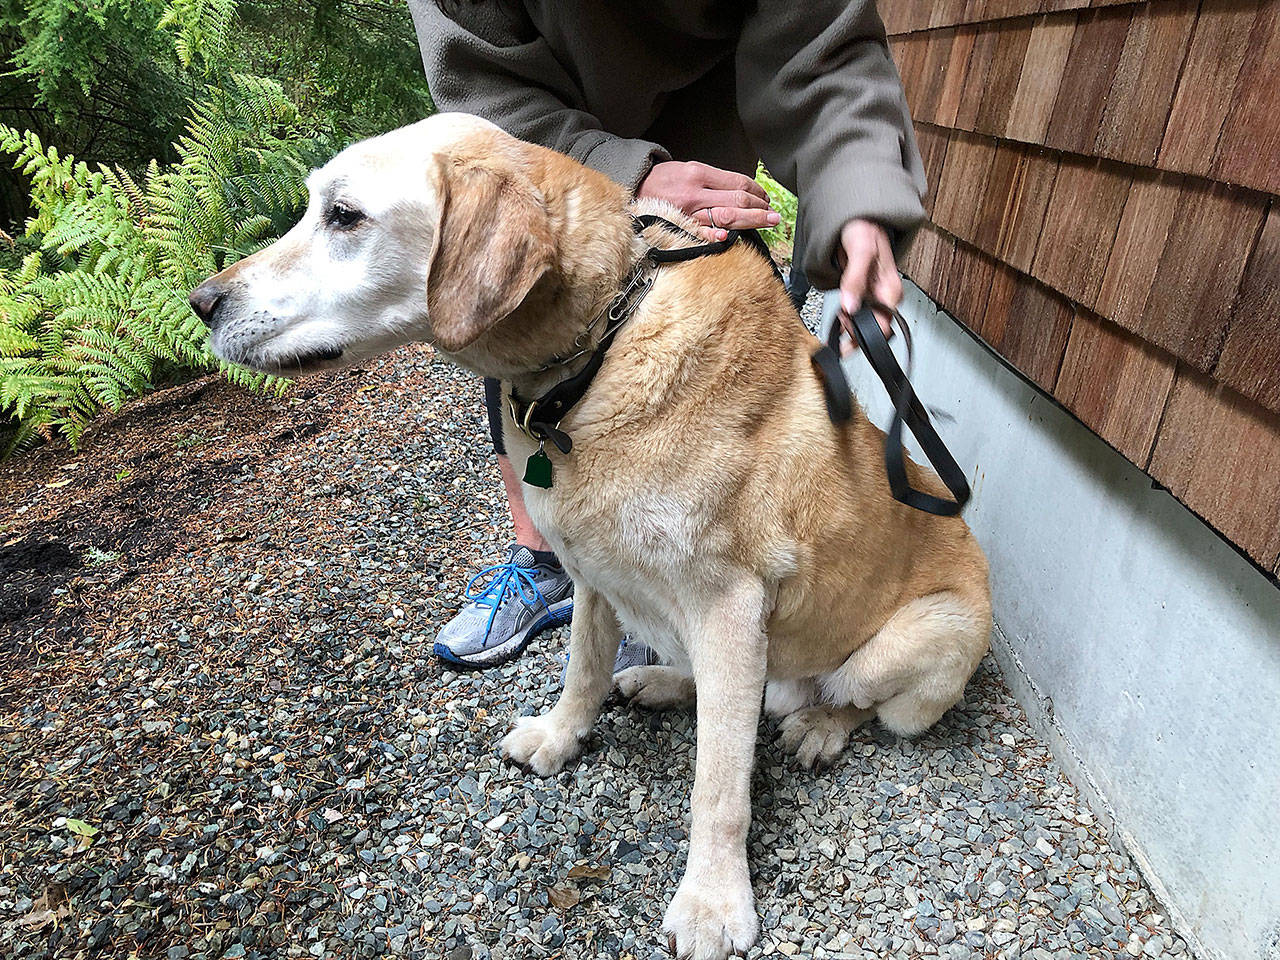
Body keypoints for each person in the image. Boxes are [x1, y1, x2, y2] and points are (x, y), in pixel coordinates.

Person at [409, 0, 925, 669]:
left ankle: (662, 585)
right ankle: (542, 559)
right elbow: (478, 74)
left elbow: (820, 49)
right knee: (530, 331)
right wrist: (618, 172)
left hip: (703, 147)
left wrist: (859, 198)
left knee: (701, 387)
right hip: (535, 146)